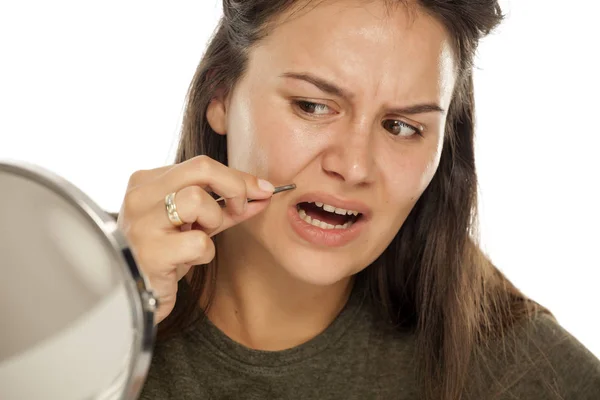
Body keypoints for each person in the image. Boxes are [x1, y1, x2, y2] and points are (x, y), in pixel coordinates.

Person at [116, 0, 600, 399]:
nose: (353, 167)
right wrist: (99, 330)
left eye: (402, 127)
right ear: (220, 96)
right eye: (312, 106)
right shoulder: (76, 306)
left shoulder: (519, 373)